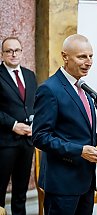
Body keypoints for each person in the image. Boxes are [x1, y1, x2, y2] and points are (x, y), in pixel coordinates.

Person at [32, 34, 97, 215]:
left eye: (91, 56)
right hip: (62, 185)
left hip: (86, 181)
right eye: (82, 56)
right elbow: (40, 137)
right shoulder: (49, 89)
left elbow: (82, 134)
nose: (88, 62)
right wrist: (80, 151)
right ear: (65, 56)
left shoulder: (83, 87)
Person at [0, 37, 37, 214]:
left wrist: (35, 122)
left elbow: (33, 105)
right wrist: (13, 125)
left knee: (20, 193)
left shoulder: (30, 76)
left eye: (17, 50)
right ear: (3, 53)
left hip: (27, 142)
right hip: (5, 142)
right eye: (9, 51)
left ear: (22, 52)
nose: (13, 54)